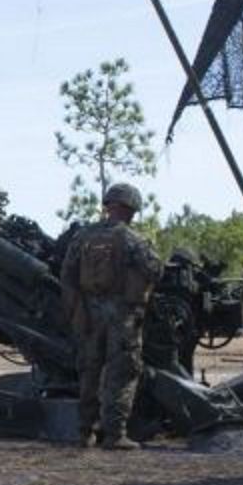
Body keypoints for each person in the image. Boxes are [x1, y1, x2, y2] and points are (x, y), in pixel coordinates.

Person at [60, 183, 163, 450]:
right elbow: (155, 269)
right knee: (123, 372)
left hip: (89, 315)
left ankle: (85, 432)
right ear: (130, 208)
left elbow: (67, 275)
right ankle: (115, 434)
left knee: (89, 372)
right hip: (122, 316)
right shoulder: (132, 239)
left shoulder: (82, 237)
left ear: (108, 206)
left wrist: (77, 311)